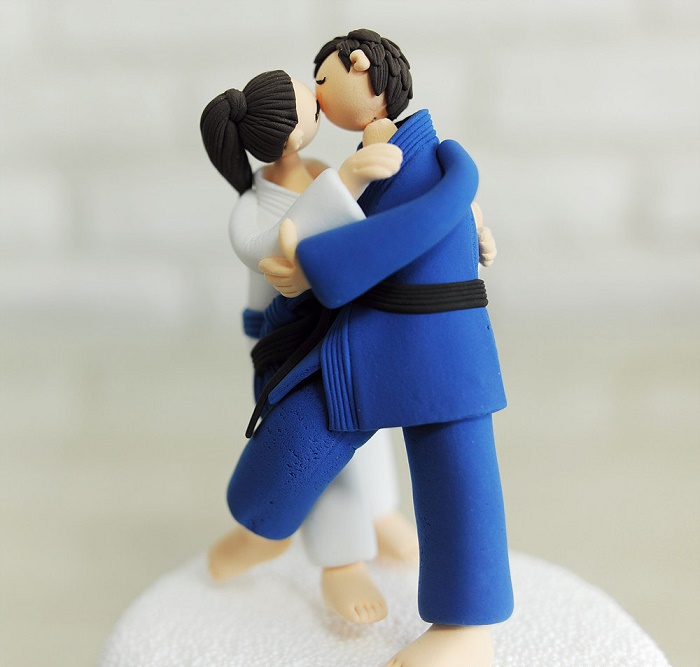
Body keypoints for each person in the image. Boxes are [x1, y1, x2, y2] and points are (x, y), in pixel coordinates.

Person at [238, 30, 512, 667]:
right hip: (371, 338)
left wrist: (314, 267)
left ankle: (467, 629)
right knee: (298, 438)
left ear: (361, 68)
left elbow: (409, 229)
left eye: (323, 78)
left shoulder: (418, 155)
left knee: (457, 472)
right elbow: (427, 212)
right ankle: (268, 524)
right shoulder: (385, 155)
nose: (317, 92)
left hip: (436, 340)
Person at [200, 70, 418, 625]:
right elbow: (268, 247)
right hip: (289, 344)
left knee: (372, 421)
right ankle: (339, 561)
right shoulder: (252, 207)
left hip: (347, 318)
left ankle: (380, 513)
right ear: (290, 136)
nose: (323, 102)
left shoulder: (321, 170)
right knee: (323, 437)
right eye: (312, 108)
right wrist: (343, 182)